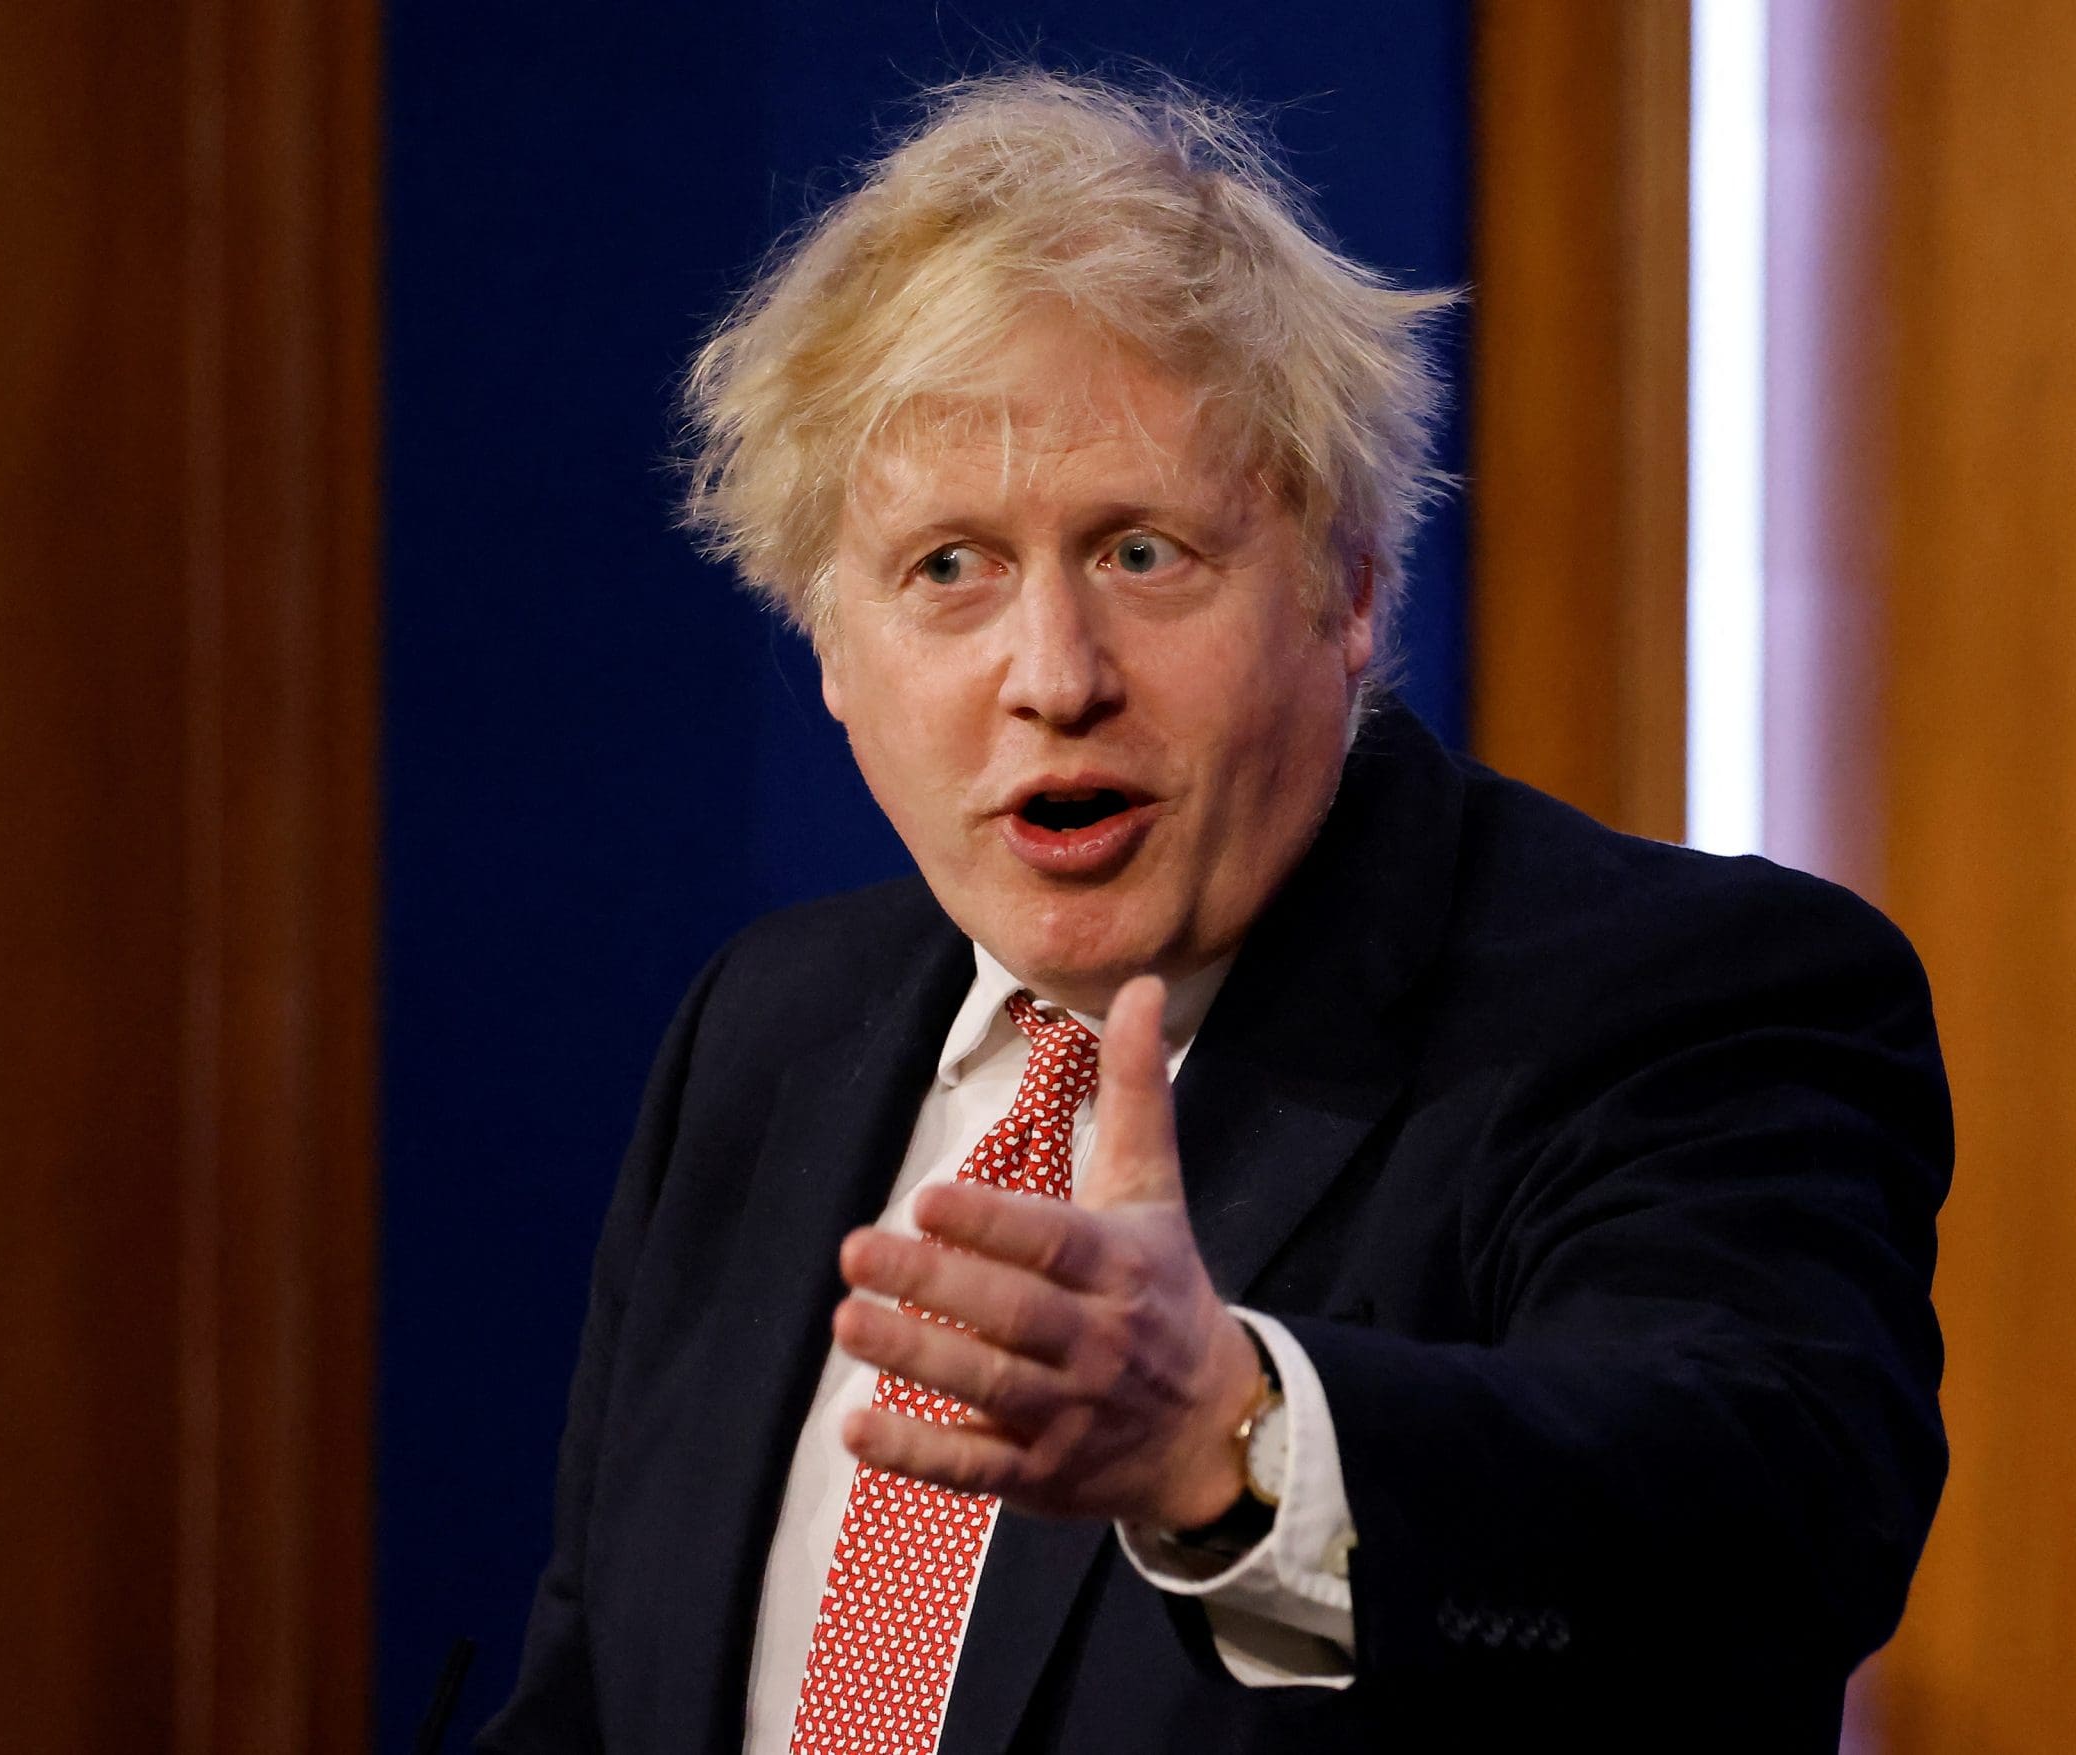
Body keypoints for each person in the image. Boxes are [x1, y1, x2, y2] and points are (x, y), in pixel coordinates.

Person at [477, 70, 1949, 1755]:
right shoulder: (765, 1032)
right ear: (828, 648)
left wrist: (1228, 1446)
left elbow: (1763, 1536)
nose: (1052, 678)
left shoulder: (1683, 998)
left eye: (1142, 553)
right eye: (948, 567)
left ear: (1350, 590)